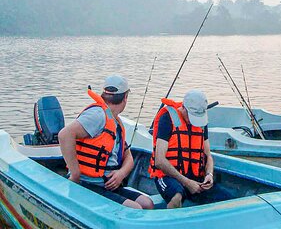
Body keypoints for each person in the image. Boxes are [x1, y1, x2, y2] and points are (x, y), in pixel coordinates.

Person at [59, 75, 154, 209]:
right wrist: (75, 174)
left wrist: (121, 174)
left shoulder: (114, 120)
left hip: (107, 184)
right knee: (135, 209)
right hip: (88, 184)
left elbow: (129, 157)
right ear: (125, 97)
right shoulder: (98, 115)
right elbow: (64, 135)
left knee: (147, 203)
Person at [148, 89, 232, 208]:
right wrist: (187, 183)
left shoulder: (202, 124)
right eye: (192, 116)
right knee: (176, 196)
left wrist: (209, 175)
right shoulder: (167, 118)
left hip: (195, 177)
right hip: (168, 176)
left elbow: (208, 155)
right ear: (183, 107)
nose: (194, 121)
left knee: (227, 199)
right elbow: (159, 161)